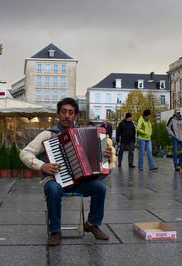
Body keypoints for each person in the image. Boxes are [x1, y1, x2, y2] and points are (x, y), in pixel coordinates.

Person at [19, 98, 112, 246]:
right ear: (58, 114)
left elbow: (104, 167)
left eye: (71, 112)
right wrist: (42, 166)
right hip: (53, 181)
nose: (66, 116)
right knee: (54, 189)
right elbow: (24, 153)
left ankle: (92, 224)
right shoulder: (47, 135)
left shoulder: (91, 135)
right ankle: (55, 231)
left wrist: (106, 156)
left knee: (100, 187)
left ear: (76, 116)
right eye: (63, 112)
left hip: (78, 182)